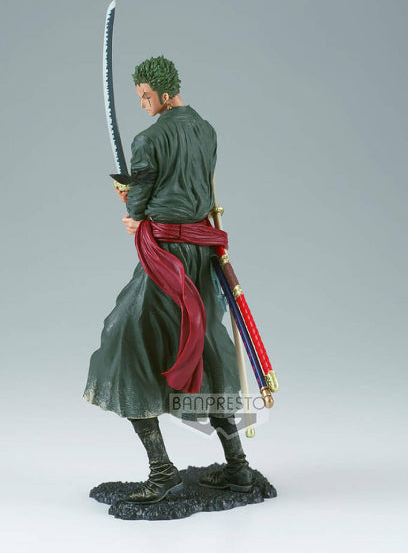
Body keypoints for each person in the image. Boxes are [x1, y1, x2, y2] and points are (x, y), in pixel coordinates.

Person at [84, 56, 253, 504]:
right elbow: (194, 187)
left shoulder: (149, 139)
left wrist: (132, 208)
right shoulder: (206, 130)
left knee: (123, 339)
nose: (143, 104)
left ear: (163, 92)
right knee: (206, 344)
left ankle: (162, 471)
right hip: (200, 253)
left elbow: (139, 203)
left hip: (168, 258)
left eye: (145, 97)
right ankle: (237, 466)